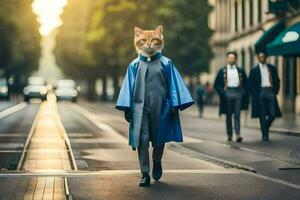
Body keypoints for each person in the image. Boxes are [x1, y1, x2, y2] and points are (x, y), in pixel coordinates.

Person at [115, 25, 194, 187]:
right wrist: (127, 108)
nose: (149, 44)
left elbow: (174, 85)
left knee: (159, 138)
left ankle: (156, 160)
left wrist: (175, 104)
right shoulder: (134, 65)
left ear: (160, 40)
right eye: (144, 40)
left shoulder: (167, 63)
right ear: (137, 41)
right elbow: (128, 87)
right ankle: (144, 173)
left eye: (153, 40)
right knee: (142, 139)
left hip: (162, 107)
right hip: (140, 108)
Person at [214, 52, 248, 142]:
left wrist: (243, 92)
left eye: (233, 58)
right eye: (229, 58)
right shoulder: (222, 71)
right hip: (227, 93)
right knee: (228, 115)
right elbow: (216, 84)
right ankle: (229, 134)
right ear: (227, 59)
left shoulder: (240, 70)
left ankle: (238, 134)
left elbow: (246, 83)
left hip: (238, 93)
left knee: (237, 114)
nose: (231, 59)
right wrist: (223, 93)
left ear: (235, 59)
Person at [248, 52, 282, 142]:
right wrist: (255, 93)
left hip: (270, 92)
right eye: (260, 57)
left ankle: (264, 127)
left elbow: (277, 80)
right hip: (260, 93)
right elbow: (250, 84)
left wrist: (275, 91)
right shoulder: (254, 70)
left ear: (266, 58)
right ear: (258, 58)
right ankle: (265, 135)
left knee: (272, 114)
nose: (262, 58)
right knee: (262, 115)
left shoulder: (272, 68)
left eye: (264, 57)